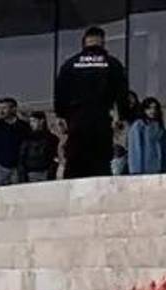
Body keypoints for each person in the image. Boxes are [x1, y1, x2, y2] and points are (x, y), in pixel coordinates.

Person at [54, 26, 130, 179]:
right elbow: (122, 94)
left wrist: (60, 116)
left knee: (75, 163)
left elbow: (60, 93)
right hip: (101, 120)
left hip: (76, 121)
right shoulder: (112, 64)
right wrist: (121, 116)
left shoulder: (70, 64)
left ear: (84, 43)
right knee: (101, 164)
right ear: (102, 42)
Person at [0, 97, 30, 186]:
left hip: (17, 168)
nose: (1, 111)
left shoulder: (23, 127)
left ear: (13, 109)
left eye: (4, 108)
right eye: (0, 108)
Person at [127, 97, 166, 175]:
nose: (153, 111)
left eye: (155, 108)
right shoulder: (139, 126)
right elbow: (135, 149)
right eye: (149, 108)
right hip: (144, 168)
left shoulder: (160, 126)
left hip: (159, 169)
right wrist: (136, 171)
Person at [20, 112, 61, 182]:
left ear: (41, 121)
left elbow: (55, 157)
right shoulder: (27, 138)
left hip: (45, 172)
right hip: (31, 172)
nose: (31, 124)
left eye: (34, 121)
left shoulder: (52, 138)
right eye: (30, 121)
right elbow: (22, 156)